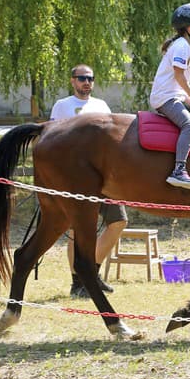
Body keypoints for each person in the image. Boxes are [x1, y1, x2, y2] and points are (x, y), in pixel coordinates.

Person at [50, 64, 128, 298]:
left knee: (119, 221)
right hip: (75, 178)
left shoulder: (101, 106)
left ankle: (90, 274)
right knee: (77, 230)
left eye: (90, 78)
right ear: (72, 81)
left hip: (105, 179)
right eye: (82, 78)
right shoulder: (62, 106)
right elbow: (52, 139)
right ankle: (78, 282)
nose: (86, 82)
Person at [148, 2, 190, 190]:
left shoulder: (181, 44)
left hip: (172, 95)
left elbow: (177, 82)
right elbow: (179, 75)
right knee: (189, 125)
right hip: (166, 98)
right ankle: (179, 170)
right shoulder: (182, 46)